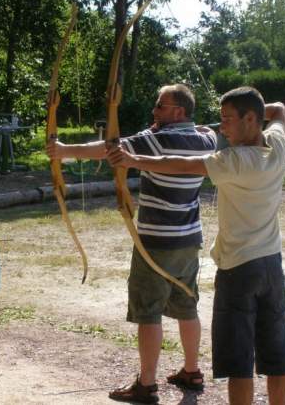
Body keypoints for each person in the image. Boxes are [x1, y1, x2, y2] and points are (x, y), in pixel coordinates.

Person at [107, 86, 285, 405]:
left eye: (228, 118)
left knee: (238, 363)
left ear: (250, 119)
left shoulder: (234, 159)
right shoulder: (277, 143)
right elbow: (281, 112)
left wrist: (133, 159)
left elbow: (179, 164)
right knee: (277, 355)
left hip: (238, 271)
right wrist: (264, 108)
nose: (222, 126)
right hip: (272, 266)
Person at [47, 84, 217, 403]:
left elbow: (110, 148)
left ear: (178, 111)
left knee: (148, 313)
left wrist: (64, 150)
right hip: (189, 240)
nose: (154, 111)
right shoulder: (206, 138)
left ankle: (147, 384)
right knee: (186, 305)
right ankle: (192, 370)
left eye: (160, 107)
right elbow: (208, 127)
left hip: (155, 242)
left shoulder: (158, 140)